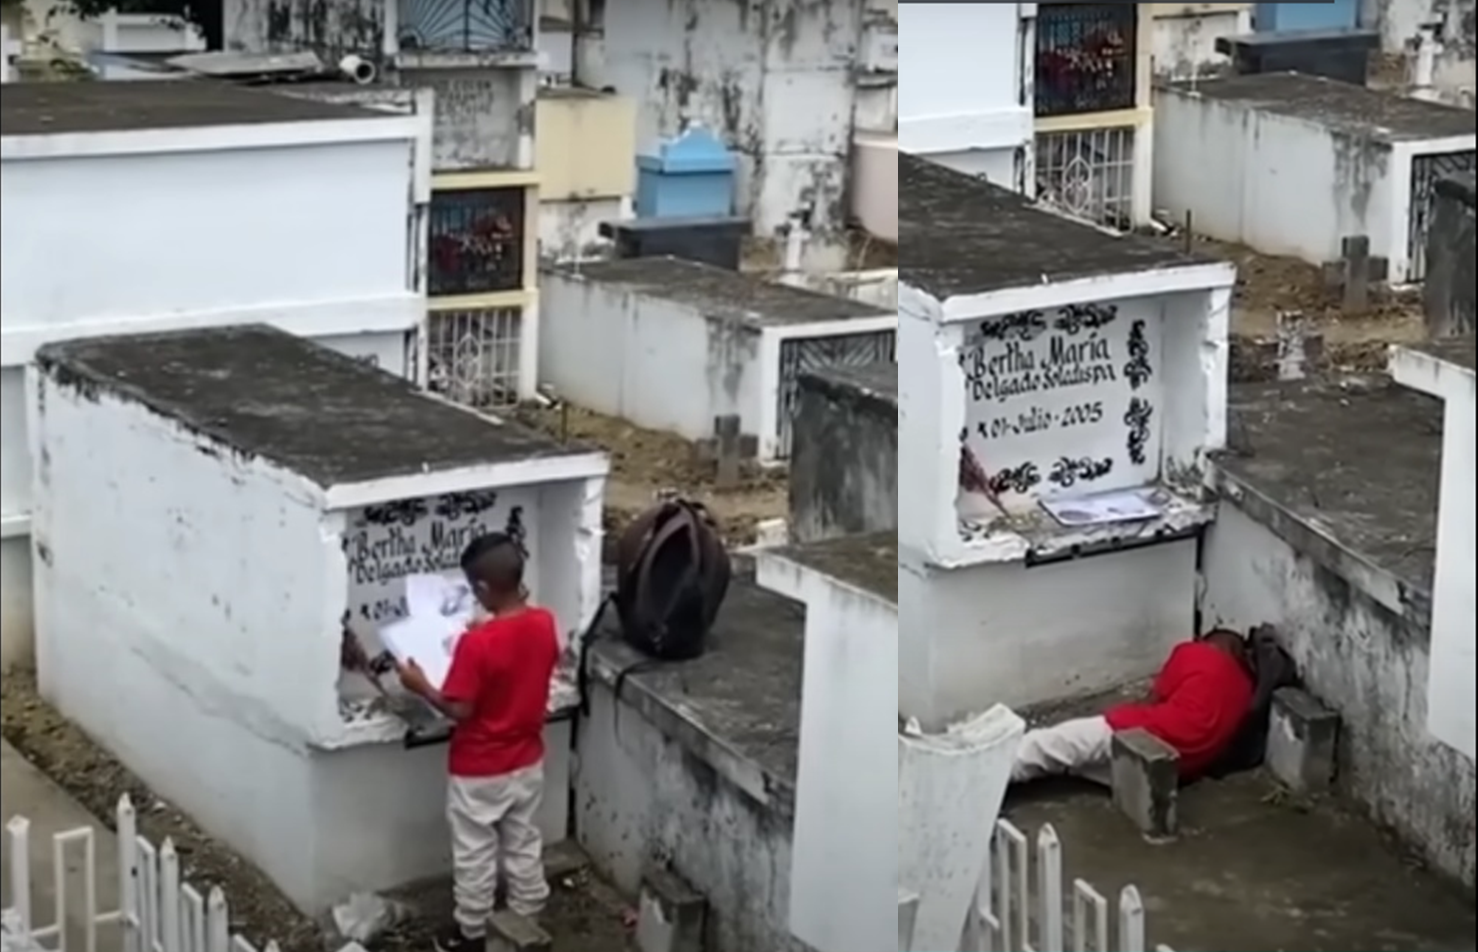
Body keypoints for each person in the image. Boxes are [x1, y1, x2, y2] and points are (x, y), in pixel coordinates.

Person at [396, 533, 560, 951]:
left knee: (475, 854)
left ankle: (472, 932)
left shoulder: (477, 644)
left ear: (484, 588)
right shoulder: (544, 622)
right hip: (527, 759)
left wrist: (421, 686)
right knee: (522, 842)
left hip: (479, 768)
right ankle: (527, 918)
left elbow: (461, 709)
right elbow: (522, 662)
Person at [1010, 630, 1255, 786]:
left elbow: (1153, 699)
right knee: (1072, 760)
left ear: (1208, 641)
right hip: (1183, 767)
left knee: (1047, 744)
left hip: (1153, 733)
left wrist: (1122, 714)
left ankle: (989, 776)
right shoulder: (1245, 689)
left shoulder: (1195, 652)